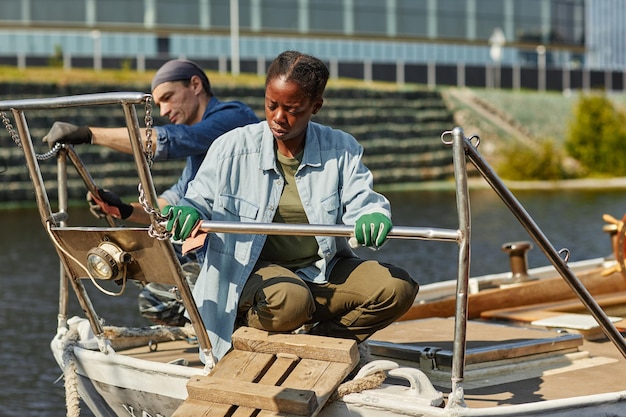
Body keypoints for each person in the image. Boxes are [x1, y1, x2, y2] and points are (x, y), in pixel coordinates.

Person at [162, 50, 419, 361]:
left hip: (320, 272)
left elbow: (363, 201)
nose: (278, 118)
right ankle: (245, 332)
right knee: (290, 301)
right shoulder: (231, 148)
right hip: (249, 275)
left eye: (292, 109)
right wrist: (188, 210)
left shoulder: (342, 149)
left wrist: (373, 215)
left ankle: (322, 342)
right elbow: (197, 199)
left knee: (397, 287)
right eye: (271, 105)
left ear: (316, 107)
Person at [43, 59, 260, 326]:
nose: (165, 110)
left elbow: (177, 139)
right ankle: (213, 330)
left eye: (168, 98)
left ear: (195, 85)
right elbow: (170, 202)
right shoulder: (199, 155)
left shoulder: (234, 117)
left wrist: (89, 134)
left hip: (247, 252)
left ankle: (233, 328)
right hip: (211, 249)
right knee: (153, 301)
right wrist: (123, 209)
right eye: (158, 105)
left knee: (172, 294)